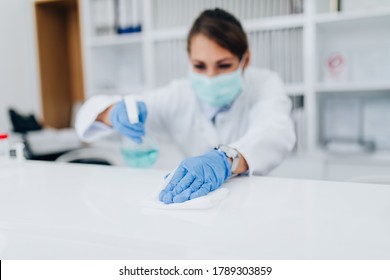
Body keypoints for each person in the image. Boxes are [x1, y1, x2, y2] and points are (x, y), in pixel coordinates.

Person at [76, 8, 296, 204]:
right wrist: (111, 112)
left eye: (224, 65)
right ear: (189, 60)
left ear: (245, 60)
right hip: (195, 204)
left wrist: (226, 159)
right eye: (199, 66)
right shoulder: (179, 94)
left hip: (252, 202)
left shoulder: (265, 84)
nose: (210, 77)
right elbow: (93, 115)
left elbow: (275, 131)